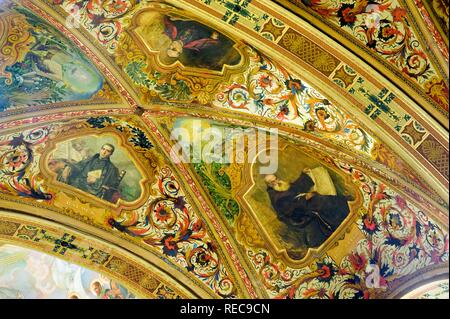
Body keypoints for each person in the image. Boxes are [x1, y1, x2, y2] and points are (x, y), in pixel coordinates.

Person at [264, 167, 352, 249]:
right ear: (269, 185)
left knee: (318, 197)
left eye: (276, 179)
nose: (276, 182)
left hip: (301, 204)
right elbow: (289, 209)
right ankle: (343, 208)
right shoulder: (275, 198)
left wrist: (303, 175)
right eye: (273, 182)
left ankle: (344, 202)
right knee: (319, 201)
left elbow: (294, 188)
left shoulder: (280, 186)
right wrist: (304, 199)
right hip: (297, 213)